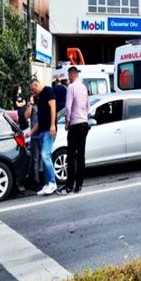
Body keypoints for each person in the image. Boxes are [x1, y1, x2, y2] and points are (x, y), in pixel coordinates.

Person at [59, 66, 91, 195]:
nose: (68, 78)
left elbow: (68, 107)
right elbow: (88, 107)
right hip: (84, 123)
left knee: (71, 156)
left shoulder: (71, 87)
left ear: (73, 74)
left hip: (75, 124)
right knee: (81, 155)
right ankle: (79, 185)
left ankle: (69, 186)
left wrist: (67, 121)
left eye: (69, 75)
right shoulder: (83, 87)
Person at [26, 79, 57, 196]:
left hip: (49, 130)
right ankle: (48, 183)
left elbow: (53, 108)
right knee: (45, 158)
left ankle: (52, 183)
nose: (33, 92)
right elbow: (39, 120)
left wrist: (52, 125)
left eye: (33, 90)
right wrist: (31, 132)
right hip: (42, 131)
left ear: (36, 84)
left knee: (45, 155)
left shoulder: (48, 91)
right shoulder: (38, 98)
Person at [25, 94, 43, 192]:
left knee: (42, 158)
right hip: (35, 136)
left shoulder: (42, 102)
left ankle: (42, 179)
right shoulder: (31, 104)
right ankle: (36, 182)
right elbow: (26, 116)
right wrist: (30, 104)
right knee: (35, 159)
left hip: (43, 134)